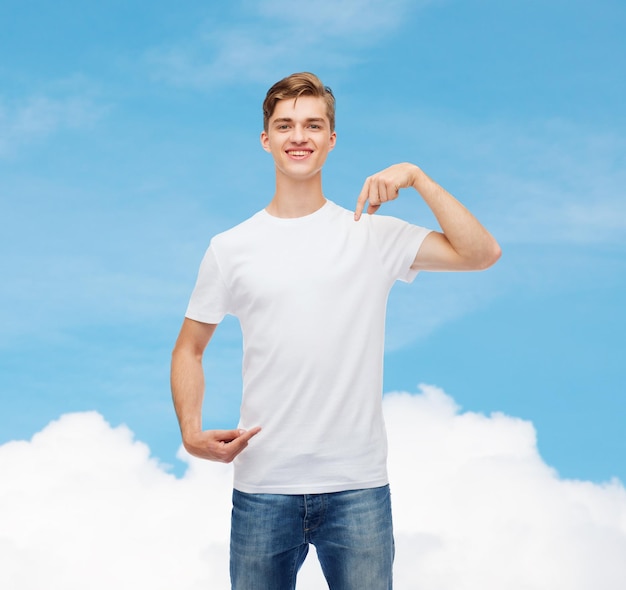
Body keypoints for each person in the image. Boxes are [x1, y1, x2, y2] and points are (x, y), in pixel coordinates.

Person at [171, 72, 501, 590]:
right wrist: (190, 434)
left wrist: (417, 177)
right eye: (285, 125)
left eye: (312, 125)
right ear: (266, 140)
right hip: (263, 487)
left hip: (358, 488)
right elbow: (189, 349)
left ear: (331, 139)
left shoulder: (371, 235)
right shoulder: (230, 248)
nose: (298, 136)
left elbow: (482, 254)